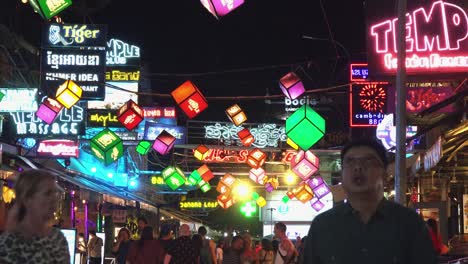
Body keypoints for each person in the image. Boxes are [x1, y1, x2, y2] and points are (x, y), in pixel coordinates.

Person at [303, 139, 437, 264]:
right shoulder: (322, 226)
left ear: (385, 176)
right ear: (342, 176)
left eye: (368, 161)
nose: (358, 168)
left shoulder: (409, 223)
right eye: (350, 162)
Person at [0, 169, 70, 263]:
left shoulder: (58, 239)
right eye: (47, 193)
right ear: (27, 199)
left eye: (55, 193)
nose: (54, 198)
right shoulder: (8, 245)